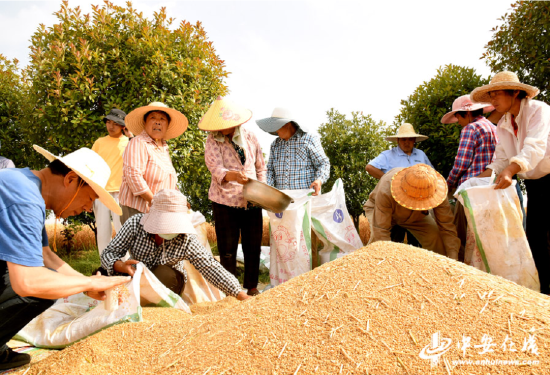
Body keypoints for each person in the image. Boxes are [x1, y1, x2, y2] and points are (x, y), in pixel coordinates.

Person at [0, 146, 131, 370]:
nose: (88, 208)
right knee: (41, 288)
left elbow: (45, 255)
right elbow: (27, 282)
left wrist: (85, 286)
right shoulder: (25, 199)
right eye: (90, 198)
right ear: (70, 179)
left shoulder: (25, 184)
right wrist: (90, 282)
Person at [471, 71, 550, 294]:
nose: (493, 101)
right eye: (491, 96)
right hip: (534, 184)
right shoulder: (504, 123)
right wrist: (479, 179)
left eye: (497, 95)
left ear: (515, 92)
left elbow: (534, 147)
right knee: (535, 238)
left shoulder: (538, 111)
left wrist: (511, 170)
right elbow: (501, 159)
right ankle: (543, 293)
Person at [101, 189, 249, 301]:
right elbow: (109, 253)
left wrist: (239, 294)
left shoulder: (185, 239)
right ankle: (128, 299)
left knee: (161, 273)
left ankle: (150, 304)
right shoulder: (135, 225)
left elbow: (210, 267)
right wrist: (122, 266)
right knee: (102, 272)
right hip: (139, 276)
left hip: (170, 280)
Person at [200, 97, 267, 296]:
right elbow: (216, 168)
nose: (225, 128)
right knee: (227, 249)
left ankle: (252, 287)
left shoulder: (250, 137)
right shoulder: (213, 140)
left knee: (252, 245)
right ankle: (231, 290)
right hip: (224, 200)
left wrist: (261, 189)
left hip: (252, 199)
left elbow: (260, 166)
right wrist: (233, 176)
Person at [364, 164, 460, 260]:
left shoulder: (436, 190)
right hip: (379, 209)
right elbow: (381, 231)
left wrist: (453, 257)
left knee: (434, 237)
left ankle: (440, 267)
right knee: (376, 242)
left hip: (416, 216)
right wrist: (388, 261)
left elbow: (446, 226)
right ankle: (368, 266)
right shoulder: (386, 189)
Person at [441, 95, 497, 260]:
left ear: (466, 113)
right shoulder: (493, 127)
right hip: (492, 188)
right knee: (486, 236)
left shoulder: (470, 129)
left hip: (471, 191)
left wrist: (448, 184)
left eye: (457, 116)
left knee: (463, 236)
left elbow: (461, 164)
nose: (457, 120)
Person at [118, 102, 187, 224]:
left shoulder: (164, 148)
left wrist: (180, 201)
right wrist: (155, 202)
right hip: (138, 211)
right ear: (145, 123)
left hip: (158, 211)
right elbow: (133, 176)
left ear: (167, 125)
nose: (158, 122)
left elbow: (168, 181)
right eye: (153, 118)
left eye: (162, 119)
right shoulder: (138, 142)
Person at [366, 123, 433, 246]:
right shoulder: (388, 155)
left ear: (414, 140)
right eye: (403, 139)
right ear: (398, 140)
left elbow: (431, 174)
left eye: (410, 139)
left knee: (417, 244)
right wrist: (388, 179)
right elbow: (370, 167)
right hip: (394, 205)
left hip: (416, 205)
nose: (407, 142)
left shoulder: (421, 155)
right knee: (394, 241)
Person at [256, 108, 330, 196]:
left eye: (277, 127)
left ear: (287, 124)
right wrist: (265, 188)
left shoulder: (309, 139)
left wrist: (319, 180)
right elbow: (270, 171)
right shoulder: (275, 145)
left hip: (306, 196)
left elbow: (323, 163)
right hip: (283, 199)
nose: (276, 131)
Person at [91, 108, 132, 255]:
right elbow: (91, 168)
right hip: (100, 192)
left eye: (115, 123)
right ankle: (105, 266)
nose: (111, 126)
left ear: (123, 126)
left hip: (122, 193)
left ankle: (127, 266)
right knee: (102, 232)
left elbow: (138, 156)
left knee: (123, 231)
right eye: (108, 122)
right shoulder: (99, 143)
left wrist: (131, 136)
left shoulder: (129, 142)